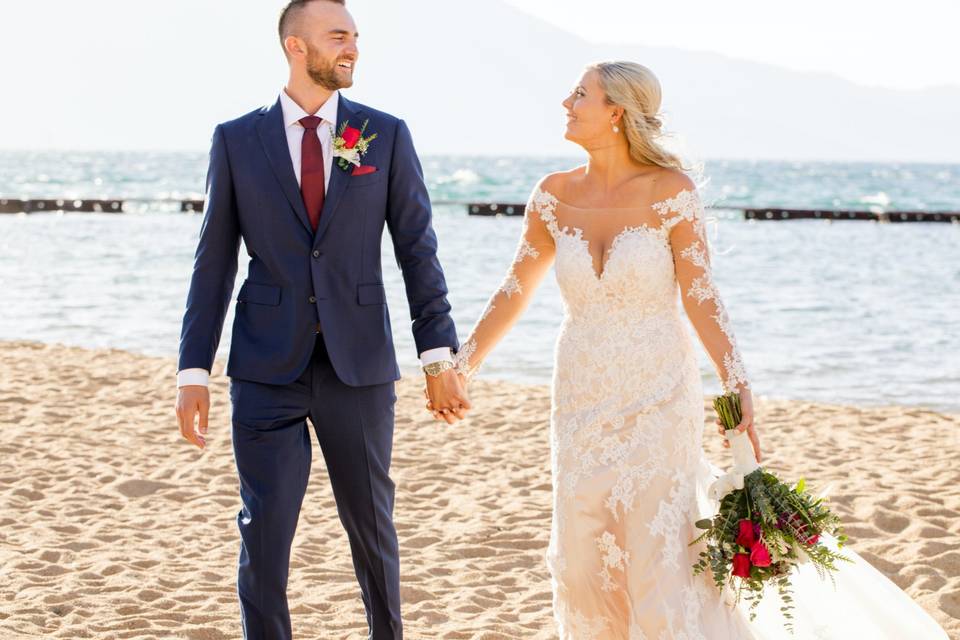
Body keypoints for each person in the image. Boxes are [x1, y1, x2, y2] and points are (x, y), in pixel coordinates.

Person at [441, 60, 950, 639]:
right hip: (580, 396)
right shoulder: (552, 195)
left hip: (660, 393)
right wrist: (462, 368)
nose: (566, 102)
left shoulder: (672, 192)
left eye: (580, 94)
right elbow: (515, 287)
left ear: (616, 112)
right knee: (584, 556)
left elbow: (701, 295)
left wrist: (737, 384)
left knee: (658, 555)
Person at [173, 1, 469, 638]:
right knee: (264, 533)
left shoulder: (385, 134)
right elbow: (213, 261)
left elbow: (417, 249)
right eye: (339, 36)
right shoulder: (235, 139)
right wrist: (192, 371)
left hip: (357, 366)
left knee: (372, 530)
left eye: (356, 37)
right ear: (295, 47)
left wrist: (438, 357)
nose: (353, 49)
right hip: (263, 369)